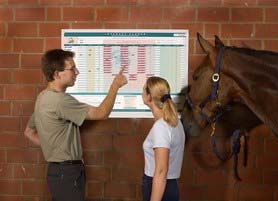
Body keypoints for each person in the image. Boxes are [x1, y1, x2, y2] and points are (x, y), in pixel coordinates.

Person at [23, 49, 127, 201]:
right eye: (72, 69)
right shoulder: (60, 101)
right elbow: (101, 113)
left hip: (59, 171)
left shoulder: (43, 98)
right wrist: (115, 86)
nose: (76, 72)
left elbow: (28, 132)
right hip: (67, 172)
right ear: (57, 74)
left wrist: (54, 148)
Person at [142, 76, 185, 201]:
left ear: (149, 97)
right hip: (168, 186)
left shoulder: (161, 126)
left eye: (144, 89)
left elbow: (161, 170)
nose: (142, 91)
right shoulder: (175, 122)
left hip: (158, 187)